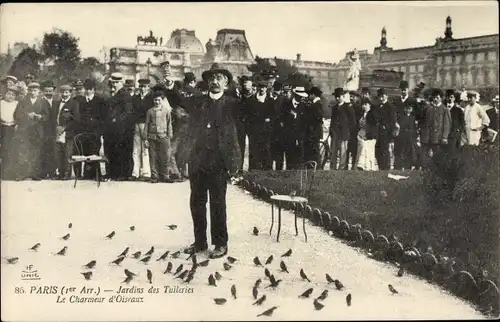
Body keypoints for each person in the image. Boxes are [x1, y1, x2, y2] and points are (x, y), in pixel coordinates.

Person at [183, 63, 241, 259]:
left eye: (219, 78)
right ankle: (200, 242)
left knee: (218, 203)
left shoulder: (233, 104)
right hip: (198, 161)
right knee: (197, 203)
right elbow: (179, 100)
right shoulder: (199, 102)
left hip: (219, 161)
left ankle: (220, 243)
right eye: (212, 78)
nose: (215, 81)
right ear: (207, 82)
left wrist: (234, 165)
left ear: (226, 82)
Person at [12, 82, 50, 180]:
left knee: (36, 152)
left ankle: (35, 174)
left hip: (37, 131)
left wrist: (39, 116)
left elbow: (47, 116)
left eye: (35, 90)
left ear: (39, 91)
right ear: (28, 91)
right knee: (23, 151)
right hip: (25, 130)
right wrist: (26, 116)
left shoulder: (43, 102)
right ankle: (21, 174)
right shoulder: (23, 101)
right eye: (31, 90)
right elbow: (16, 115)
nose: (33, 92)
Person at [104, 73, 134, 180]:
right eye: (113, 82)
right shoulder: (114, 94)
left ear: (121, 83)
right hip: (113, 128)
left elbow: (127, 112)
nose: (114, 84)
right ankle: (113, 173)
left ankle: (122, 174)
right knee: (113, 150)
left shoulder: (125, 95)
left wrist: (116, 120)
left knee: (121, 151)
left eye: (117, 82)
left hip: (122, 129)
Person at [80, 79, 107, 179]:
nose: (87, 91)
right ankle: (87, 174)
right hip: (85, 131)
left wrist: (99, 130)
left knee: (94, 151)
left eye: (90, 89)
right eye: (86, 89)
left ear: (94, 89)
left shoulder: (100, 101)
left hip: (95, 131)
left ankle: (96, 173)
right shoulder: (81, 101)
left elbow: (103, 117)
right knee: (86, 151)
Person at [52, 84, 81, 180]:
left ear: (70, 93)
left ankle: (66, 173)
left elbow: (76, 119)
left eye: (66, 92)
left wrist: (64, 128)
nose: (64, 94)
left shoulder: (74, 103)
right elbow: (53, 117)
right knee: (58, 153)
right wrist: (56, 127)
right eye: (62, 92)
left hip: (68, 133)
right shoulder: (56, 103)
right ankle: (60, 173)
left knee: (67, 153)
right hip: (57, 131)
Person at [143, 91, 173, 183]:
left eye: (159, 100)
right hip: (152, 137)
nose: (157, 102)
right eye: (155, 100)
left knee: (165, 157)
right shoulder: (150, 111)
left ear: (162, 100)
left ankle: (165, 176)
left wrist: (169, 135)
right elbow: (147, 124)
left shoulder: (166, 111)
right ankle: (154, 176)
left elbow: (169, 123)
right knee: (153, 157)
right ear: (153, 101)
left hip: (164, 136)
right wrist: (145, 138)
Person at [248, 79, 274, 170]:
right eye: (260, 87)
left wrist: (269, 119)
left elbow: (273, 114)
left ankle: (266, 170)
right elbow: (249, 114)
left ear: (266, 88)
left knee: (266, 150)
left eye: (264, 87)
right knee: (254, 150)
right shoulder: (252, 99)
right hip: (254, 129)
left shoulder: (270, 100)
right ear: (258, 88)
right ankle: (253, 170)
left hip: (266, 130)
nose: (262, 89)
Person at [420, 88, 451, 162]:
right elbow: (423, 122)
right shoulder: (428, 109)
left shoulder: (444, 110)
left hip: (437, 137)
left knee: (437, 157)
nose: (435, 99)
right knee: (424, 156)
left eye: (437, 97)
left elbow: (447, 125)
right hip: (426, 137)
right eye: (434, 97)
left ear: (441, 98)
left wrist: (444, 137)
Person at [131, 78, 153, 180]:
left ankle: (146, 173)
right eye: (141, 86)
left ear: (148, 87)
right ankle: (135, 172)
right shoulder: (135, 98)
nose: (142, 88)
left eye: (144, 87)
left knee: (145, 149)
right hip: (137, 124)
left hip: (146, 124)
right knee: (136, 149)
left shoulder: (151, 98)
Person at [329, 87, 356, 170]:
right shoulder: (334, 108)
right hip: (335, 134)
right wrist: (331, 130)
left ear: (343, 96)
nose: (337, 98)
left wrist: (349, 133)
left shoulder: (348, 107)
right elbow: (332, 121)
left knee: (343, 154)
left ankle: (342, 170)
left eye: (339, 96)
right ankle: (332, 169)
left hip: (344, 134)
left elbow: (353, 122)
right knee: (333, 153)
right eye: (336, 96)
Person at [282, 86, 308, 169]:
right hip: (288, 135)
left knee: (299, 156)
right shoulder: (286, 104)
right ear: (295, 95)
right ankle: (289, 172)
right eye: (299, 96)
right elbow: (282, 119)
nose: (300, 98)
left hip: (300, 135)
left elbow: (305, 122)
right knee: (289, 155)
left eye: (301, 96)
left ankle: (297, 174)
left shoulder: (304, 106)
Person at [374, 88, 397, 170]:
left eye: (382, 96)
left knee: (385, 151)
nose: (381, 98)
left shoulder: (390, 107)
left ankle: (386, 168)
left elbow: (393, 121)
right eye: (379, 97)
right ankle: (380, 167)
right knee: (378, 151)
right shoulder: (377, 107)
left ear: (386, 96)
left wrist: (387, 128)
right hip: (378, 133)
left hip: (386, 133)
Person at [1, 85, 20, 179]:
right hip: (3, 127)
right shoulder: (1, 103)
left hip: (13, 127)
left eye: (13, 95)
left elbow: (19, 115)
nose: (10, 96)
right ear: (5, 94)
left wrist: (17, 124)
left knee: (12, 150)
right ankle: (3, 173)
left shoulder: (17, 103)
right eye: (9, 94)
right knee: (4, 149)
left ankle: (11, 173)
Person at [302, 86, 324, 166]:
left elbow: (316, 118)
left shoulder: (317, 104)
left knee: (315, 150)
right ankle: (315, 166)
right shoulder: (316, 104)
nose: (309, 96)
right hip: (315, 131)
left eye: (310, 94)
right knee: (314, 150)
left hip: (314, 131)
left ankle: (317, 167)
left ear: (313, 95)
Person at [356, 98, 378, 171]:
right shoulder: (361, 114)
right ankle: (360, 165)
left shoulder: (373, 114)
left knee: (365, 146)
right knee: (362, 145)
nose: (364, 106)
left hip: (370, 136)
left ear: (369, 105)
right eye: (363, 105)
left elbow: (374, 127)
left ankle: (364, 166)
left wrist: (368, 136)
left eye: (366, 104)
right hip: (361, 134)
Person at [445, 90, 465, 155]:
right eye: (448, 97)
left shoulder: (458, 110)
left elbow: (462, 123)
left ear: (454, 98)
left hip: (454, 136)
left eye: (451, 97)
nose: (449, 99)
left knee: (453, 154)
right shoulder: (443, 109)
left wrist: (458, 132)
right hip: (443, 136)